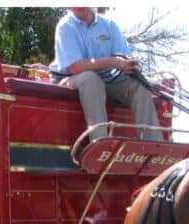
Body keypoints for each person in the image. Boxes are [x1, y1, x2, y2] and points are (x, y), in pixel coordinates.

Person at [49, 7, 163, 141]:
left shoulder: (109, 25)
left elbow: (123, 56)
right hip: (70, 79)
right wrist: (112, 62)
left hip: (108, 79)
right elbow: (76, 67)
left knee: (139, 85)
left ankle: (153, 146)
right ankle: (100, 142)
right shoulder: (65, 26)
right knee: (91, 79)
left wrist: (129, 66)